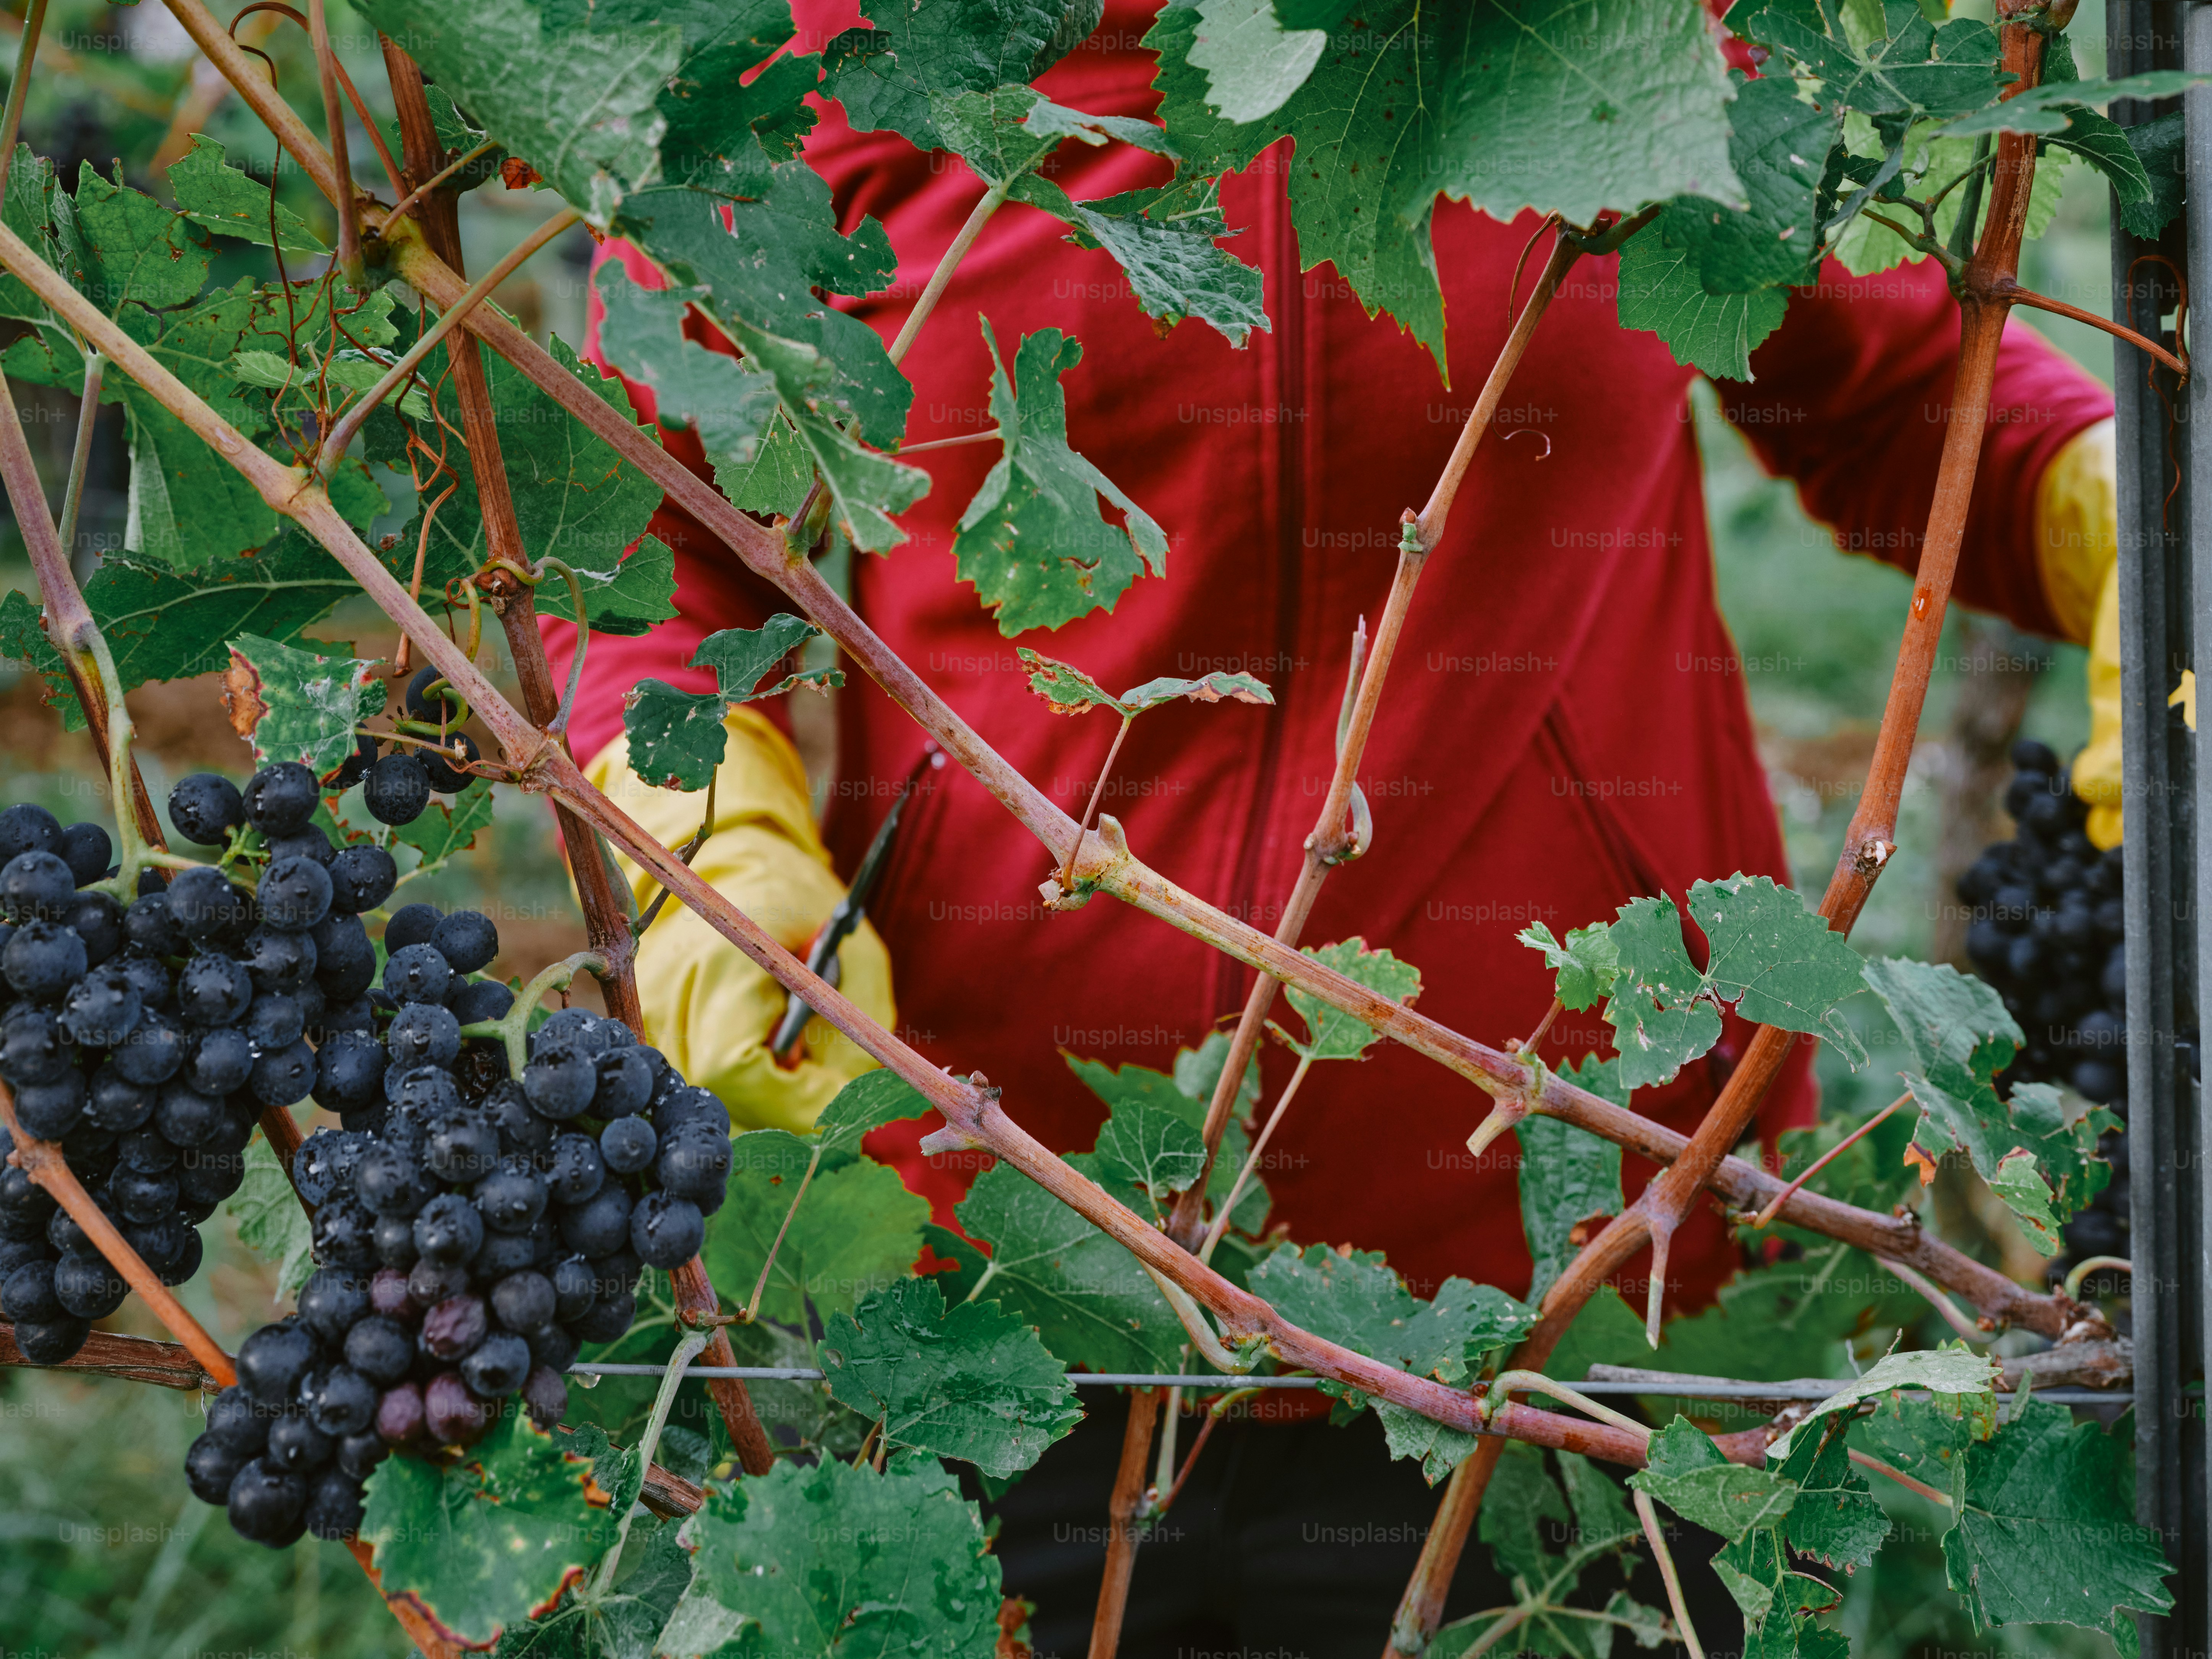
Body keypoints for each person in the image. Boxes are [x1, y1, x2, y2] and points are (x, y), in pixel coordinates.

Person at [539, 3, 2119, 1648]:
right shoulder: (845, 51)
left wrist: (2112, 515)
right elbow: (650, 535)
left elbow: (1884, 391)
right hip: (993, 1264)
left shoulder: (1611, 35)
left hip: (1576, 1267)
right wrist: (702, 843)